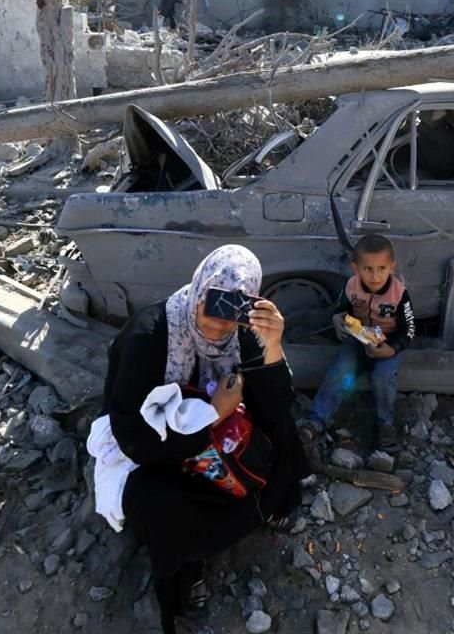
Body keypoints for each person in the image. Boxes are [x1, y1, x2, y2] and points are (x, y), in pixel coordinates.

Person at [86, 245, 310, 634]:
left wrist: (272, 348)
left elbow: (277, 403)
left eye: (234, 308)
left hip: (216, 432)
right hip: (155, 446)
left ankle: (265, 505)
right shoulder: (150, 334)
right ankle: (187, 568)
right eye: (215, 301)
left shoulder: (243, 332)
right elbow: (132, 438)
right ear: (200, 287)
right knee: (164, 503)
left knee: (283, 431)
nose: (221, 323)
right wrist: (214, 414)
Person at [299, 235, 415, 453]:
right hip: (357, 338)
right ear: (356, 268)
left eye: (381, 268)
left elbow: (409, 329)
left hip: (388, 343)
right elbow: (342, 308)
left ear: (392, 266)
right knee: (341, 371)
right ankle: (317, 420)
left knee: (383, 376)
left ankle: (385, 424)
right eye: (367, 269)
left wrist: (391, 349)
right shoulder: (352, 286)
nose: (374, 275)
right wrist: (337, 319)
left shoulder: (399, 294)